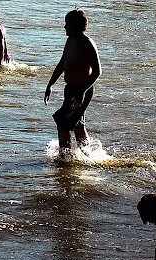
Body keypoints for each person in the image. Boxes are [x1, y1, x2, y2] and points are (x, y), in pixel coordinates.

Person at [44, 9, 101, 154]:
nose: (65, 27)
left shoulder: (87, 43)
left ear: (78, 26)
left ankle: (66, 157)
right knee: (77, 124)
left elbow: (97, 71)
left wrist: (82, 91)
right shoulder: (70, 41)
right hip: (70, 89)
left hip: (81, 90)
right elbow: (62, 64)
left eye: (68, 24)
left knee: (62, 123)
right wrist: (50, 84)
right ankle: (87, 154)